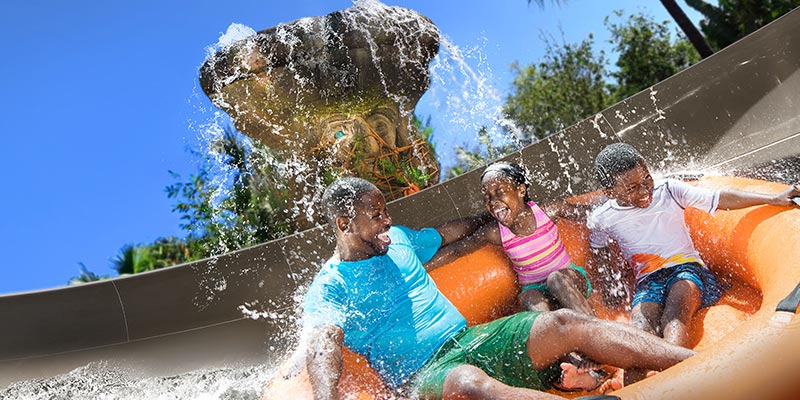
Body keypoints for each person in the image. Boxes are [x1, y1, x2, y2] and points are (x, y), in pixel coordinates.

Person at [302, 176, 695, 400]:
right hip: (423, 374)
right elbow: (323, 342)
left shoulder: (400, 239)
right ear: (343, 225)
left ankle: (692, 363)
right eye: (376, 215)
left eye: (385, 210)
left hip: (473, 338)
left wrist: (498, 215)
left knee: (562, 322)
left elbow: (450, 233)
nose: (387, 220)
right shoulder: (331, 285)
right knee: (467, 383)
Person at [588, 142, 800, 383]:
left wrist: (773, 198)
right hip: (648, 280)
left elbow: (720, 198)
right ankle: (636, 390)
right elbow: (599, 249)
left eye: (647, 178)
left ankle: (677, 382)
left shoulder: (668, 191)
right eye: (633, 188)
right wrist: (608, 285)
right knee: (640, 327)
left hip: (688, 269)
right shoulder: (602, 218)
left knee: (675, 312)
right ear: (610, 192)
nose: (645, 189)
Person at [427, 162, 594, 315]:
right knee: (530, 299)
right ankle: (564, 345)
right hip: (535, 289)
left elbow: (592, 215)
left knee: (555, 279)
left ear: (520, 190)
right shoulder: (495, 233)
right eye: (487, 196)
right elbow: (457, 250)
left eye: (500, 192)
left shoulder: (548, 211)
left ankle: (594, 329)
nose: (492, 201)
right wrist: (420, 267)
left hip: (569, 280)